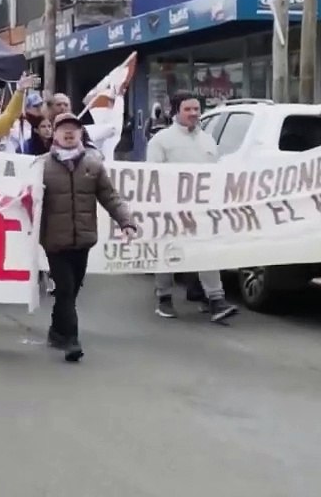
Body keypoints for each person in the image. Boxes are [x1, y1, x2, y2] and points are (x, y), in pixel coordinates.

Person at [39, 112, 139, 361]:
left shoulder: (93, 166)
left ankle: (56, 330)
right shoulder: (41, 167)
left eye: (74, 129)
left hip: (83, 240)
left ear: (81, 133)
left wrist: (126, 222)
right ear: (55, 133)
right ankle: (71, 340)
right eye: (64, 129)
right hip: (54, 241)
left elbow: (111, 198)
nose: (69, 133)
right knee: (64, 289)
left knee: (71, 292)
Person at [146, 90, 239, 322]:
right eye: (188, 109)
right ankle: (164, 298)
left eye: (196, 109)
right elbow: (152, 176)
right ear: (176, 111)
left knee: (206, 250)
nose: (193, 113)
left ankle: (216, 300)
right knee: (168, 252)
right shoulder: (161, 140)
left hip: (202, 208)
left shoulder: (207, 139)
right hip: (170, 208)